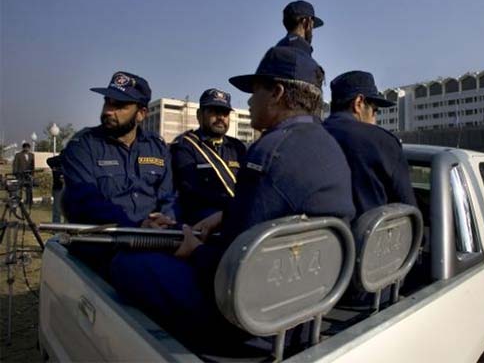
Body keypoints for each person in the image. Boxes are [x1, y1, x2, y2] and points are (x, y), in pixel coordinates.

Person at [110, 47, 355, 351]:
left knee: (126, 264)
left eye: (255, 92)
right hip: (308, 304)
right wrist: (226, 215)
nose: (249, 102)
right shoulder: (328, 145)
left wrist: (194, 249)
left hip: (249, 318)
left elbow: (232, 266)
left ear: (277, 93)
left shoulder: (269, 151)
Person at [61, 71, 177, 276]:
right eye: (107, 102)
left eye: (119, 106)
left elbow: (168, 195)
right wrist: (137, 227)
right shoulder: (84, 145)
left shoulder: (157, 147)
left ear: (141, 114)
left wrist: (164, 221)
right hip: (104, 244)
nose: (108, 111)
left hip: (155, 240)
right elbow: (86, 202)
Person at [324, 71, 417, 219]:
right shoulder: (381, 141)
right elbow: (409, 213)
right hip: (372, 241)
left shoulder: (314, 137)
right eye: (374, 111)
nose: (375, 120)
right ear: (359, 103)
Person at [170, 89, 246, 225]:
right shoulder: (185, 146)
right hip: (201, 222)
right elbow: (191, 192)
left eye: (225, 113)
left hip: (233, 217)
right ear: (199, 115)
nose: (221, 117)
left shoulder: (237, 147)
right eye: (214, 112)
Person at [13, 142, 35, 207]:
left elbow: (33, 165)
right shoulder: (18, 155)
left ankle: (29, 201)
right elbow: (15, 164)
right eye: (26, 148)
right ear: (23, 148)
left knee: (29, 189)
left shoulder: (32, 155)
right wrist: (15, 173)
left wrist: (32, 174)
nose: (27, 149)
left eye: (28, 148)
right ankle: (18, 201)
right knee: (19, 189)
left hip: (28, 175)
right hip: (20, 174)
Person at [46, 155, 64, 223]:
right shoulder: (58, 161)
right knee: (57, 209)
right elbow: (49, 160)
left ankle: (68, 227)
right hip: (58, 188)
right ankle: (56, 226)